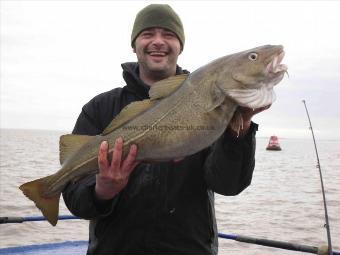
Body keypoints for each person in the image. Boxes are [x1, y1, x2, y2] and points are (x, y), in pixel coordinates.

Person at [63, 4, 268, 255]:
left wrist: (240, 132)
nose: (158, 42)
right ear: (134, 44)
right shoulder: (99, 108)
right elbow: (74, 199)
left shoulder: (213, 105)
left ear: (180, 45)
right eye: (148, 34)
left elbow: (228, 185)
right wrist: (100, 191)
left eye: (168, 35)